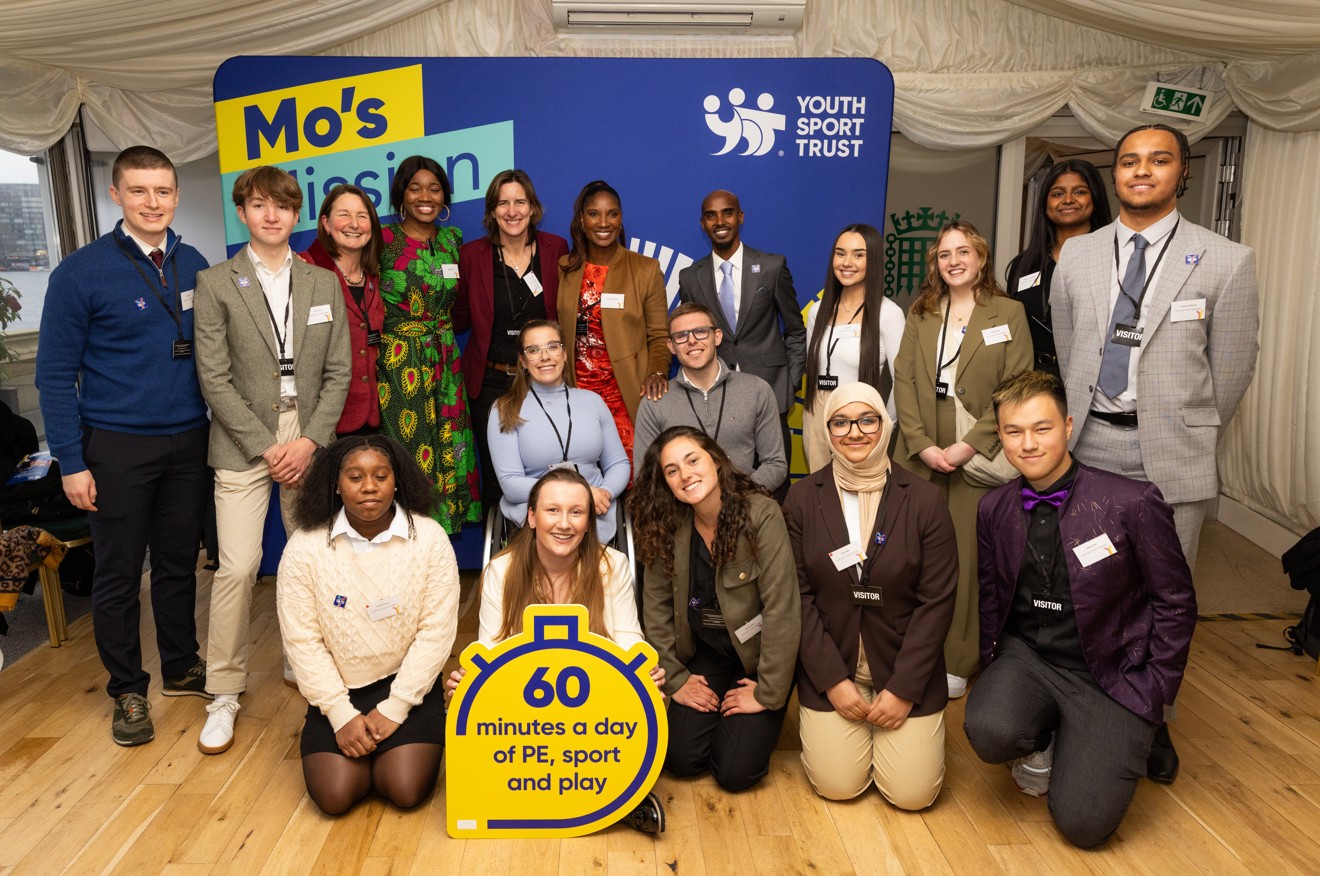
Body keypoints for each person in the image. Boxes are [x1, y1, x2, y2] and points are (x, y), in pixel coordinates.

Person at [964, 370, 1196, 847]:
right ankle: (1043, 734)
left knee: (1084, 825)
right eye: (1013, 431)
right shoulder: (994, 509)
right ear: (1000, 436)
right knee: (988, 728)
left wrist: (1155, 689)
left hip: (1111, 672)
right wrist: (993, 670)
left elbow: (1176, 602)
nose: (1028, 444)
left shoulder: (1131, 502)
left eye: (1042, 428)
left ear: (1068, 426)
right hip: (1030, 658)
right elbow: (991, 596)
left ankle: (1092, 739)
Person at [35, 146, 211, 747]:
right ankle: (128, 690)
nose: (152, 202)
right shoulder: (78, 273)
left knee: (177, 562)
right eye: (139, 191)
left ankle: (182, 664)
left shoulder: (194, 263)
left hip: (190, 439)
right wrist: (71, 462)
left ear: (176, 195)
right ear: (116, 195)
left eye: (162, 191)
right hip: (115, 446)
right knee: (116, 575)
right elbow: (54, 376)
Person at [1052, 123, 1259, 576]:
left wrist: (1187, 421)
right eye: (1129, 161)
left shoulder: (1226, 259)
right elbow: (1068, 349)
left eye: (1159, 160)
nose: (1141, 170)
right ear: (1116, 174)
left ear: (1182, 172)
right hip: (1089, 444)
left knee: (1165, 589)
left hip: (1174, 452)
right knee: (1088, 579)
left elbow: (1232, 369)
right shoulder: (1077, 254)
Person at [194, 164, 351, 755]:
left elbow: (339, 371)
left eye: (282, 206)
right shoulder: (216, 282)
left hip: (308, 436)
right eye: (259, 205)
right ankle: (225, 691)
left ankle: (302, 662)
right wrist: (267, 444)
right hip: (242, 439)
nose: (271, 215)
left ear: (296, 215)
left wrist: (309, 440)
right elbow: (213, 377)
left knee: (310, 561)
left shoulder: (322, 283)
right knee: (237, 568)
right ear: (243, 212)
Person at [445, 468, 666, 833]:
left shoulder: (613, 565)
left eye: (576, 512)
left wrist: (643, 673)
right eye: (552, 511)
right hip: (525, 708)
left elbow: (629, 637)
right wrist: (469, 684)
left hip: (594, 702)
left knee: (645, 698)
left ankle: (615, 793)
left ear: (589, 520)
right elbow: (491, 645)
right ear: (531, 517)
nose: (564, 523)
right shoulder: (502, 569)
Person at [785, 383, 958, 808]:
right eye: (840, 422)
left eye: (867, 419)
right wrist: (832, 681)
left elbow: (937, 601)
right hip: (835, 664)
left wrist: (903, 689)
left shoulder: (924, 499)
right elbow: (797, 597)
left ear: (884, 424)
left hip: (902, 666)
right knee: (838, 786)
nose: (854, 432)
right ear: (827, 431)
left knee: (912, 796)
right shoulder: (803, 498)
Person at [277, 435, 460, 815]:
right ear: (336, 484)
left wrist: (396, 707)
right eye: (355, 477)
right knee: (336, 796)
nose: (370, 487)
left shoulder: (429, 538)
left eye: (381, 475)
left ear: (398, 481)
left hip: (408, 686)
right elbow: (302, 641)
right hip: (338, 689)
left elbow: (436, 632)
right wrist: (340, 714)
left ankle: (394, 738)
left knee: (404, 788)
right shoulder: (305, 545)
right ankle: (349, 733)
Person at [893, 220, 1032, 699]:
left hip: (976, 457)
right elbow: (905, 380)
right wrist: (920, 442)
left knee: (966, 562)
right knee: (914, 559)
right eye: (945, 254)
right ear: (936, 262)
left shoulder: (1008, 313)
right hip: (921, 455)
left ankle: (957, 658)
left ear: (981, 259)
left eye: (963, 252)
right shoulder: (922, 311)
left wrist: (968, 444)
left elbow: (1016, 389)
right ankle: (911, 651)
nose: (954, 261)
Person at [629, 426, 801, 792]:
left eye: (693, 460)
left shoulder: (761, 513)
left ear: (716, 460)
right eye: (672, 470)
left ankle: (749, 719)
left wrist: (767, 692)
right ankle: (721, 710)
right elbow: (655, 610)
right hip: (707, 652)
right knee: (680, 759)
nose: (685, 474)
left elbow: (782, 609)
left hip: (758, 659)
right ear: (665, 482)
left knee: (735, 773)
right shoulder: (666, 524)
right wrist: (675, 680)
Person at [454, 170, 569, 506]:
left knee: (548, 468)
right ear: (492, 211)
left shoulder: (554, 249)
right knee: (497, 477)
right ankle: (505, 555)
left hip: (543, 377)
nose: (512, 210)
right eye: (503, 203)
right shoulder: (472, 256)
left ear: (533, 208)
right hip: (491, 381)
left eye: (520, 201)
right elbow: (458, 314)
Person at [378, 155, 479, 532]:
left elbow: (464, 304)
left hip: (446, 359)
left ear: (445, 197)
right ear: (401, 195)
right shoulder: (383, 239)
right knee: (410, 450)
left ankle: (440, 540)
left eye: (434, 188)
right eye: (415, 187)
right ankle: (406, 537)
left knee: (450, 445)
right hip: (400, 359)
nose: (426, 196)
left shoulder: (454, 240)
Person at [677, 190, 806, 474]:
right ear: (702, 223)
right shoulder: (689, 277)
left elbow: (795, 330)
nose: (720, 221)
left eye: (727, 212)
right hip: (717, 401)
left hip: (771, 392)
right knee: (722, 483)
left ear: (740, 217)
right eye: (711, 215)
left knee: (774, 484)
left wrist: (790, 383)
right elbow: (690, 339)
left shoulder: (771, 267)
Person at [556, 180, 670, 465]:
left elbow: (659, 336)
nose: (603, 222)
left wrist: (657, 371)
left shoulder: (645, 269)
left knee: (633, 474)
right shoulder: (564, 268)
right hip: (576, 393)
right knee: (582, 477)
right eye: (594, 214)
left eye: (612, 214)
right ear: (581, 220)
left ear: (621, 219)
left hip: (626, 392)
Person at [487, 320, 631, 542]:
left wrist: (605, 493)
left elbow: (619, 464)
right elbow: (511, 484)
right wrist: (580, 493)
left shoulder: (593, 402)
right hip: (536, 524)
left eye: (552, 346)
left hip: (595, 515)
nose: (545, 357)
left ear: (564, 354)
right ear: (523, 361)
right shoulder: (505, 410)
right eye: (534, 350)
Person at [634, 302, 786, 492]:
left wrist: (738, 501)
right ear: (671, 347)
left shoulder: (756, 389)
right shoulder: (655, 402)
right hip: (683, 513)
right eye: (681, 336)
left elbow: (775, 464)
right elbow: (645, 477)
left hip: (745, 504)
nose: (692, 341)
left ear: (717, 337)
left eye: (700, 331)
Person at [802, 224, 906, 472]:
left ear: (874, 261)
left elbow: (902, 382)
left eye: (859, 255)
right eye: (840, 253)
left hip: (859, 419)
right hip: (817, 412)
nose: (847, 262)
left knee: (858, 499)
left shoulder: (888, 314)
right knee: (819, 496)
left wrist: (883, 426)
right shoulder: (819, 310)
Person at [1005, 159, 1113, 378]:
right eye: (1057, 194)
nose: (1068, 200)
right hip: (1031, 380)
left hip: (1090, 379)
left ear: (1096, 200)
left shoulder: (1114, 259)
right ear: (1045, 205)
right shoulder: (1025, 264)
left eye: (1080, 191)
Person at [298, 183, 385, 437]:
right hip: (322, 423)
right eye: (344, 215)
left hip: (372, 416)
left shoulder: (374, 277)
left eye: (362, 216)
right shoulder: (304, 268)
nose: (354, 224)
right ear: (326, 222)